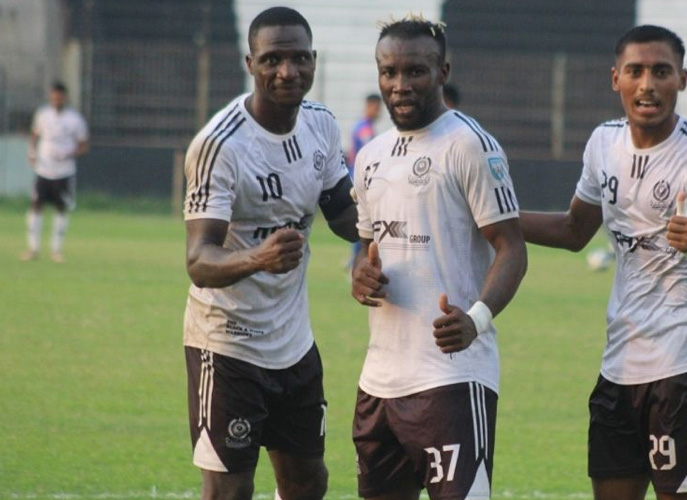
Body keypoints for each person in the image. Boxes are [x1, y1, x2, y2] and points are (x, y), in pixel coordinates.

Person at [518, 25, 687, 500]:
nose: (648, 84)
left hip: (686, 362)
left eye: (661, 72)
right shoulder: (603, 144)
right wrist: (493, 216)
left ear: (682, 79)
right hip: (620, 363)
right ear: (616, 79)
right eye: (636, 71)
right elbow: (574, 230)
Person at [181, 7, 358, 500]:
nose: (287, 71)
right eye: (272, 59)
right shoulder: (220, 145)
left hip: (294, 343)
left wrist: (391, 228)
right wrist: (259, 258)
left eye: (299, 58)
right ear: (250, 63)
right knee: (229, 490)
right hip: (228, 344)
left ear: (314, 61)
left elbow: (343, 212)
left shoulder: (321, 124)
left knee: (308, 482)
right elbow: (198, 261)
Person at [350, 15, 527, 500]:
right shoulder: (370, 156)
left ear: (442, 72)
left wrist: (477, 320)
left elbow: (512, 247)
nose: (400, 85)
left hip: (452, 377)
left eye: (415, 71)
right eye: (389, 72)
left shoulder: (469, 145)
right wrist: (361, 278)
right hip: (379, 382)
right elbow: (367, 252)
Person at [22, 81, 90, 263]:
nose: (56, 100)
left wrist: (71, 153)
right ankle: (33, 248)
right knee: (36, 205)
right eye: (53, 97)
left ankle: (56, 250)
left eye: (59, 97)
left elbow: (84, 145)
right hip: (43, 169)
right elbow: (34, 135)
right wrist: (32, 153)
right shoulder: (43, 115)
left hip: (64, 171)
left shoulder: (75, 119)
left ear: (65, 98)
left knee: (61, 208)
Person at [346, 94, 382, 269]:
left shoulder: (361, 126)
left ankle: (354, 260)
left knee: (364, 223)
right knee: (365, 224)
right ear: (369, 106)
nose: (378, 111)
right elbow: (369, 157)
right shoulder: (365, 130)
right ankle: (356, 262)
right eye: (376, 107)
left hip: (356, 179)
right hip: (361, 182)